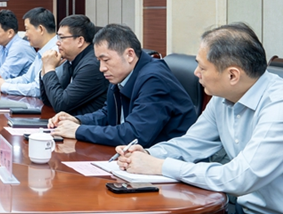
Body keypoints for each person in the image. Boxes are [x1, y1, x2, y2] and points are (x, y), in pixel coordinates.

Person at [117, 23, 283, 214]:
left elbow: (239, 178)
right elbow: (191, 144)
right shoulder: (223, 98)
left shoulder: (277, 107)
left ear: (232, 75)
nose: (196, 73)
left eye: (202, 67)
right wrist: (147, 154)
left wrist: (160, 166)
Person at [49, 24, 197, 147]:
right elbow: (108, 113)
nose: (101, 68)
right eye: (99, 61)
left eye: (106, 60)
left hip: (166, 161)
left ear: (130, 55)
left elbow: (135, 135)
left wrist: (78, 131)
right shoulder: (122, 73)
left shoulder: (154, 80)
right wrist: (78, 120)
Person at [38, 15, 108, 116]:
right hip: (70, 121)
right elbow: (49, 100)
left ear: (80, 41)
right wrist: (45, 67)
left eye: (62, 38)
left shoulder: (92, 66)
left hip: (88, 123)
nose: (57, 42)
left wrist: (49, 68)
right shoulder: (70, 61)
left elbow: (60, 104)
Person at [0, 7, 58, 97]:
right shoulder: (42, 51)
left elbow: (37, 89)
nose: (25, 34)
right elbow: (27, 78)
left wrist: (4, 86)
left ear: (40, 29)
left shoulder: (56, 52)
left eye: (27, 29)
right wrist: (1, 82)